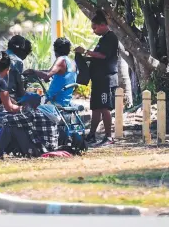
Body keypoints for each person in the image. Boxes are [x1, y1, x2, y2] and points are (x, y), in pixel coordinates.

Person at [75, 10, 119, 146]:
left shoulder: (111, 38)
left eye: (95, 28)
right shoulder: (102, 39)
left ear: (102, 25)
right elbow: (97, 56)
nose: (94, 31)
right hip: (98, 79)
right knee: (96, 108)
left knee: (105, 108)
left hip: (106, 78)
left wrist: (86, 51)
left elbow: (103, 55)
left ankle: (108, 137)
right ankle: (92, 135)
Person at [25, 37, 78, 107]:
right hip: (65, 101)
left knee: (27, 98)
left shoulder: (61, 60)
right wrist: (38, 72)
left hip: (54, 101)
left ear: (55, 50)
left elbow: (47, 75)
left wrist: (33, 71)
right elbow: (54, 73)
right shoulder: (72, 62)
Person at [6, 35, 32, 101]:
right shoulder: (17, 61)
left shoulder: (1, 56)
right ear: (21, 50)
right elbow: (20, 91)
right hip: (11, 97)